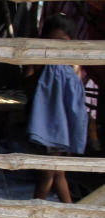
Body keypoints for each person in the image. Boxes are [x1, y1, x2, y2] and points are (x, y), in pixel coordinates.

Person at [26, 13, 86, 204]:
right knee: (53, 171)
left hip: (64, 126)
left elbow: (75, 97)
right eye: (50, 41)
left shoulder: (74, 64)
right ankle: (66, 213)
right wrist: (43, 73)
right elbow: (27, 83)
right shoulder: (39, 60)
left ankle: (41, 213)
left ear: (70, 42)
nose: (55, 47)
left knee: (51, 172)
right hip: (44, 122)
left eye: (61, 42)